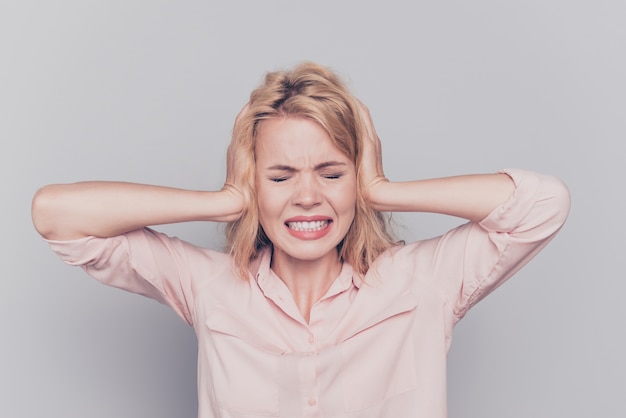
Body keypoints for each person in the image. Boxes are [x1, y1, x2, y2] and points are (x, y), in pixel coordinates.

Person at [31, 62, 570, 418]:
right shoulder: (209, 286)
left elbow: (544, 205)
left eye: (332, 174)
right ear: (254, 182)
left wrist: (383, 190)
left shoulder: (423, 283)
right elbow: (56, 214)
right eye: (282, 175)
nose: (308, 196)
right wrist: (225, 200)